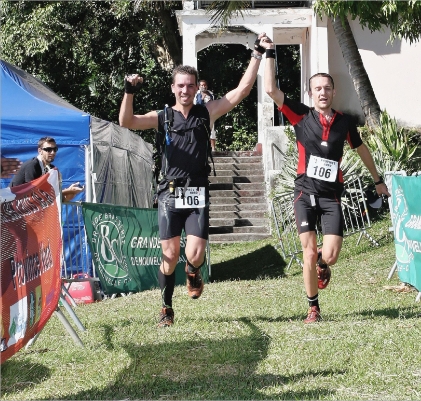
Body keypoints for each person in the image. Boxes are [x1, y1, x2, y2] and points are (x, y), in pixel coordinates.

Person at [119, 32, 269, 328]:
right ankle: (166, 307)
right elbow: (127, 121)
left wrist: (257, 54)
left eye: (190, 85)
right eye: (180, 86)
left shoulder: (205, 113)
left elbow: (241, 91)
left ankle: (192, 270)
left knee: (195, 253)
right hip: (169, 193)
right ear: (173, 88)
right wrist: (128, 91)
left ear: (196, 88)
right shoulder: (162, 117)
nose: (185, 90)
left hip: (197, 191)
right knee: (169, 253)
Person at [263, 38, 390, 324]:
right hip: (304, 194)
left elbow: (361, 149)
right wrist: (269, 52)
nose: (323, 92)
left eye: (327, 88)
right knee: (308, 252)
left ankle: (321, 263)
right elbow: (271, 89)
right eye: (317, 88)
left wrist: (378, 179)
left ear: (333, 92)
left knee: (329, 255)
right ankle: (313, 308)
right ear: (310, 93)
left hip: (331, 195)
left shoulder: (344, 122)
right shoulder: (300, 115)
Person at [10, 137, 84, 201]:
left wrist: (69, 195)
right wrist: (67, 191)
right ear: (40, 151)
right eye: (48, 149)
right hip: (11, 209)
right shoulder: (32, 165)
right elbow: (33, 193)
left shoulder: (51, 169)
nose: (52, 152)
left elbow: (52, 197)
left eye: (55, 149)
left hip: (25, 210)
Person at [194, 80, 217, 151]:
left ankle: (213, 148)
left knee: (212, 131)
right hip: (200, 116)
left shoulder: (210, 94)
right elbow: (197, 105)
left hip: (210, 115)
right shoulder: (197, 94)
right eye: (202, 85)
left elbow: (214, 103)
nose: (203, 87)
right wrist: (202, 99)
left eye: (205, 85)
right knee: (201, 131)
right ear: (199, 86)